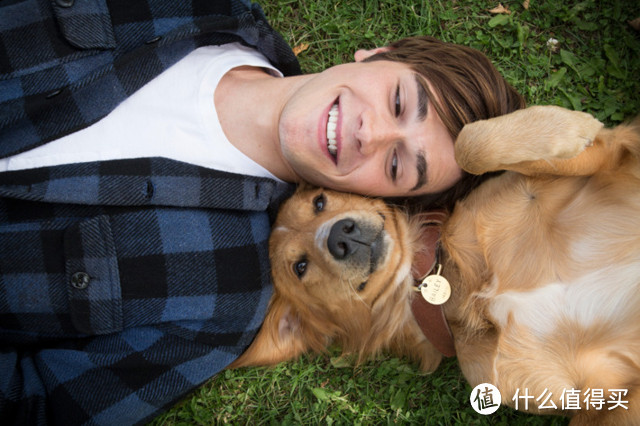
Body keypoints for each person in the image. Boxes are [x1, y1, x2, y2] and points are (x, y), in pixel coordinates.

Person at [0, 0, 524, 424]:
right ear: (375, 54)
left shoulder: (225, 305)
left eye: (397, 164)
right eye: (397, 102)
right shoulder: (200, 8)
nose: (371, 132)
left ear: (386, 199)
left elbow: (41, 408)